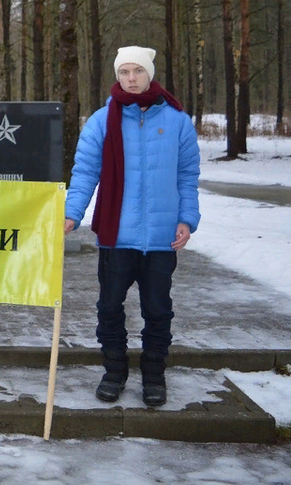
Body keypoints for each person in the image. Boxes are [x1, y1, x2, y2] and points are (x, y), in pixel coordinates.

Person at [65, 46, 200, 407]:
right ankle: (114, 371)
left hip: (161, 239)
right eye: (124, 71)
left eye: (137, 71)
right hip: (116, 235)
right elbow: (84, 173)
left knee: (157, 309)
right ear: (117, 75)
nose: (131, 78)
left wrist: (187, 219)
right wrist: (72, 213)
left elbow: (187, 175)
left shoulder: (176, 120)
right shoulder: (101, 120)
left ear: (149, 73)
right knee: (109, 306)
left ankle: (154, 375)